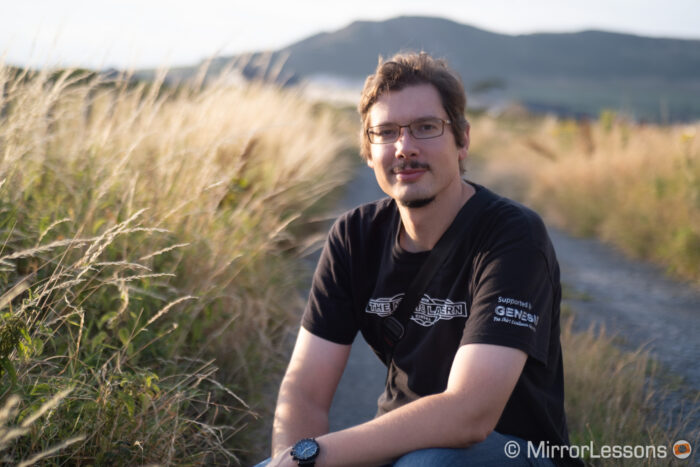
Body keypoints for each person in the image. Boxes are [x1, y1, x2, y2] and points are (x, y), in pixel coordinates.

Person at [257, 52, 581, 467]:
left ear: (462, 140)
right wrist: (295, 461)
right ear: (368, 151)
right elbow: (303, 391)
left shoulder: (511, 235)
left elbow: (470, 413)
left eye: (426, 128)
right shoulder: (354, 237)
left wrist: (315, 456)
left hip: (513, 450)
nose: (404, 148)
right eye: (386, 132)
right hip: (403, 452)